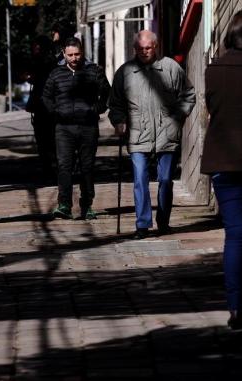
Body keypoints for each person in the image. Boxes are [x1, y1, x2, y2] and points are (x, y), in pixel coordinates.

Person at [108, 30, 196, 239]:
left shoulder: (170, 68)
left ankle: (163, 222)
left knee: (165, 179)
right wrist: (118, 120)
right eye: (140, 49)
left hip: (167, 132)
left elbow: (188, 94)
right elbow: (115, 103)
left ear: (156, 47)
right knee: (140, 178)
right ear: (134, 49)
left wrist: (178, 117)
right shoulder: (125, 72)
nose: (144, 52)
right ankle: (142, 224)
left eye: (148, 48)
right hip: (137, 134)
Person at [201, 11, 242, 330]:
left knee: (235, 235)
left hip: (224, 162)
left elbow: (213, 109)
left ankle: (236, 306)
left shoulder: (214, 69)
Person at [42, 37, 110, 220]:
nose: (74, 58)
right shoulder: (56, 74)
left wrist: (96, 109)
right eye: (70, 55)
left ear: (82, 53)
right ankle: (64, 204)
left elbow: (106, 93)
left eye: (77, 54)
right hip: (63, 128)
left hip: (88, 126)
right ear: (64, 54)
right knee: (64, 166)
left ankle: (87, 204)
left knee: (87, 166)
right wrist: (55, 112)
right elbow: (46, 97)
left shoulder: (94, 72)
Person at [26, 35, 57, 179]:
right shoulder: (38, 63)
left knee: (50, 139)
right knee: (42, 140)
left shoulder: (49, 64)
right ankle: (47, 167)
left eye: (37, 48)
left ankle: (52, 167)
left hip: (49, 107)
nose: (35, 50)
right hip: (40, 107)